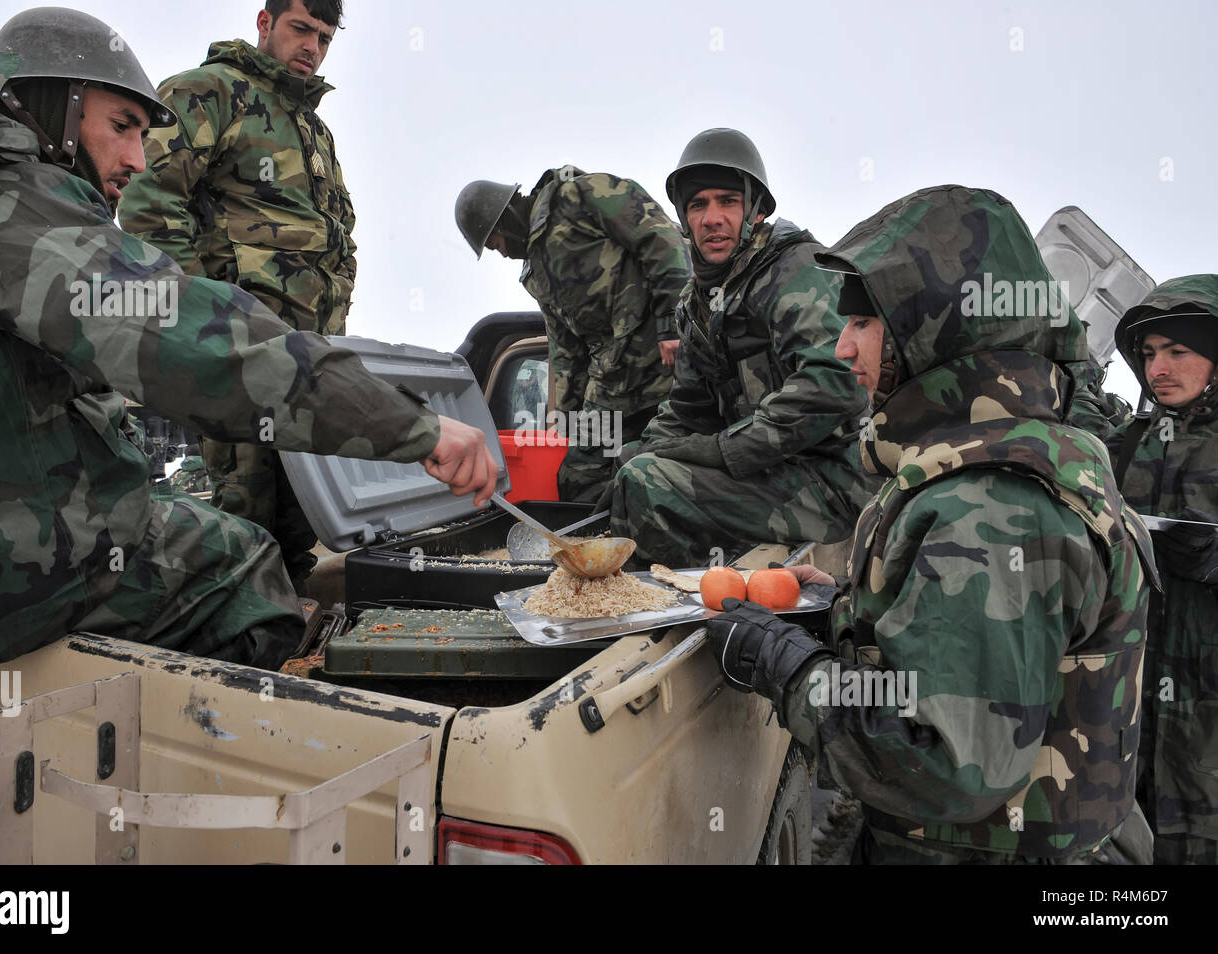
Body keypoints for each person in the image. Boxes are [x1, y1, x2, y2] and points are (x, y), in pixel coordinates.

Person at [0, 8, 495, 670]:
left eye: (326, 37)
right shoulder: (1, 200)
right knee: (248, 562)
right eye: (122, 128)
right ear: (54, 103)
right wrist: (414, 427)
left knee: (269, 528)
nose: (137, 159)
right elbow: (167, 318)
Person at [707, 184, 1156, 864]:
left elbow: (943, 768)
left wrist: (790, 667)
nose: (842, 347)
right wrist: (841, 612)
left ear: (931, 328)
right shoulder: (1017, 451)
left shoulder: (987, 510)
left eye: (863, 324)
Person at [120, 0, 358, 591]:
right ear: (265, 23)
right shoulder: (210, 92)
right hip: (235, 350)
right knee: (241, 513)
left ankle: (289, 637)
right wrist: (201, 317)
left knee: (300, 514)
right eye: (301, 29)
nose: (313, 47)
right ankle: (233, 656)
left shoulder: (312, 129)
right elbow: (149, 202)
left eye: (325, 38)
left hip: (306, 354)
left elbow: (335, 235)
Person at [608, 128, 874, 568]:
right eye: (698, 205)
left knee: (648, 483)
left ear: (755, 210)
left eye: (727, 201)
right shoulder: (698, 301)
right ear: (685, 218)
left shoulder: (797, 268)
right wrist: (636, 452)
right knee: (635, 466)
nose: (712, 217)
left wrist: (725, 450)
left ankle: (693, 610)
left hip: (835, 484)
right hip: (770, 475)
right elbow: (690, 408)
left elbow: (833, 383)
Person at [454, 168, 691, 503]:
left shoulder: (579, 195)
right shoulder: (536, 274)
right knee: (577, 476)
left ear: (504, 218)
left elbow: (661, 238)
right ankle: (601, 547)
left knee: (656, 465)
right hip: (612, 381)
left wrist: (672, 323)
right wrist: (564, 425)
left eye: (497, 244)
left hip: (669, 366)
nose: (503, 253)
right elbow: (565, 351)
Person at [1112, 275, 1218, 864]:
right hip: (1130, 701)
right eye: (1150, 353)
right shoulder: (1128, 441)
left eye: (1179, 350)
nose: (1160, 367)